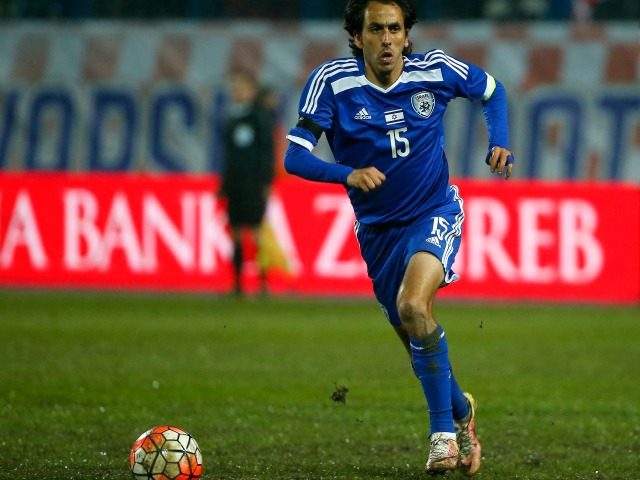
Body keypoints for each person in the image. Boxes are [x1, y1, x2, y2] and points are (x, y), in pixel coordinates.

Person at [284, 0, 513, 475]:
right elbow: (295, 157)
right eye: (376, 30)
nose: (387, 39)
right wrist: (346, 173)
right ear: (357, 37)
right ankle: (461, 411)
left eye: (395, 29)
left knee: (414, 306)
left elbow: (493, 91)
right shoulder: (333, 84)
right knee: (413, 333)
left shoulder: (435, 71)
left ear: (407, 35)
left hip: (434, 212)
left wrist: (500, 139)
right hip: (378, 233)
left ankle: (441, 436)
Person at [220, 71, 275, 295]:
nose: (237, 92)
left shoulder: (259, 117)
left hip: (253, 183)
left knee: (256, 231)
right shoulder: (232, 118)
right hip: (235, 185)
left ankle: (262, 283)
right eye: (235, 88)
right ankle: (237, 283)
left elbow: (266, 152)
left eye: (241, 88)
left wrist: (266, 181)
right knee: (234, 231)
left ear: (252, 91)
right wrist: (224, 185)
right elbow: (229, 156)